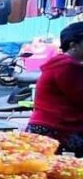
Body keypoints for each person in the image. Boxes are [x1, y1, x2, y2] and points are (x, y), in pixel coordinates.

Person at [26, 21, 83, 157]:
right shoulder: (67, 66)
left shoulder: (62, 63)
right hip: (54, 129)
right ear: (73, 45)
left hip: (48, 127)